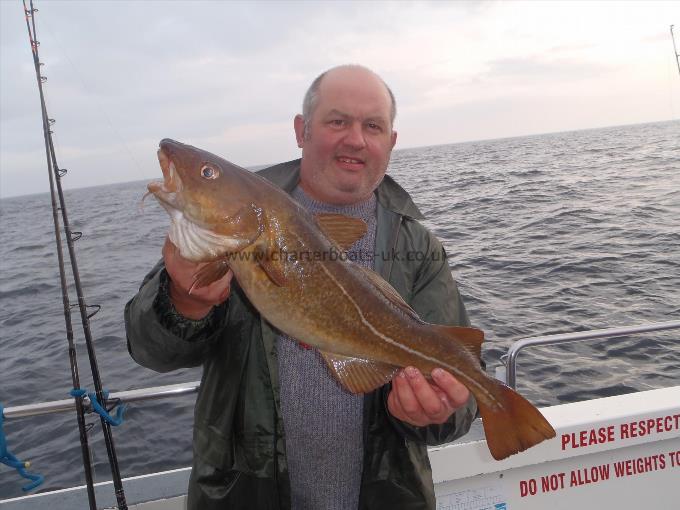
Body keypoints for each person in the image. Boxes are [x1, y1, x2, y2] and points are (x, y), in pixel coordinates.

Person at [125, 65, 480, 510]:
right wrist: (182, 301)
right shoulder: (221, 236)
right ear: (302, 130)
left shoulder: (418, 246)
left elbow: (458, 405)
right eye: (337, 121)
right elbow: (149, 350)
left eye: (373, 126)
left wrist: (438, 412)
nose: (355, 139)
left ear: (390, 141)